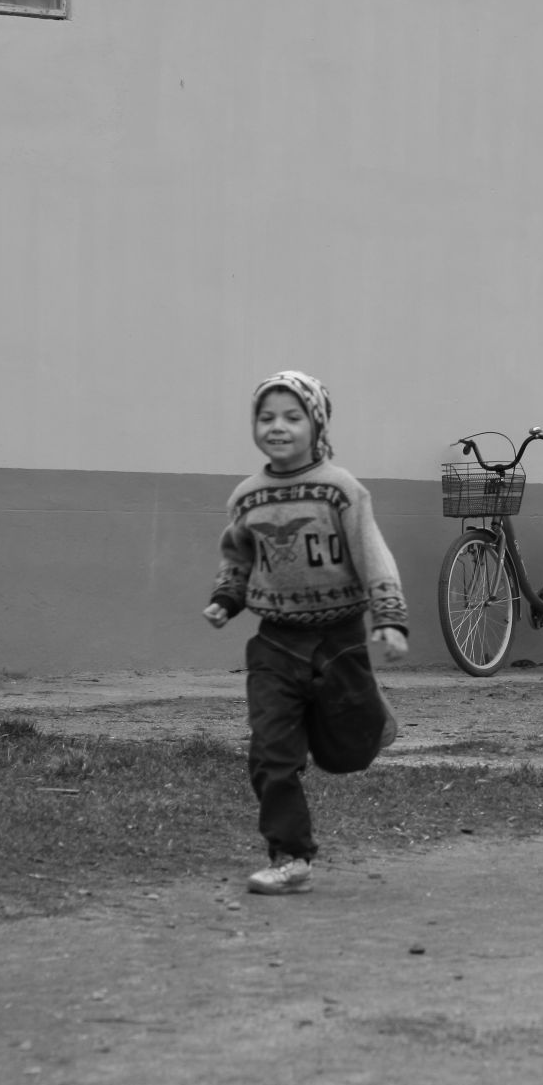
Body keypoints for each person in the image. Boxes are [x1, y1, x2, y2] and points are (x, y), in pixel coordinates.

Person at [203, 371, 408, 894]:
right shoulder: (246, 498)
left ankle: (369, 714)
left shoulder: (342, 491)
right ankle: (291, 855)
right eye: (266, 417)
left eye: (292, 417)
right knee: (271, 753)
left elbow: (372, 552)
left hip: (339, 639)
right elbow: (238, 556)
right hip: (274, 641)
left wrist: (388, 617)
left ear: (315, 425)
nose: (278, 427)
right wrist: (226, 599)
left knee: (347, 754)